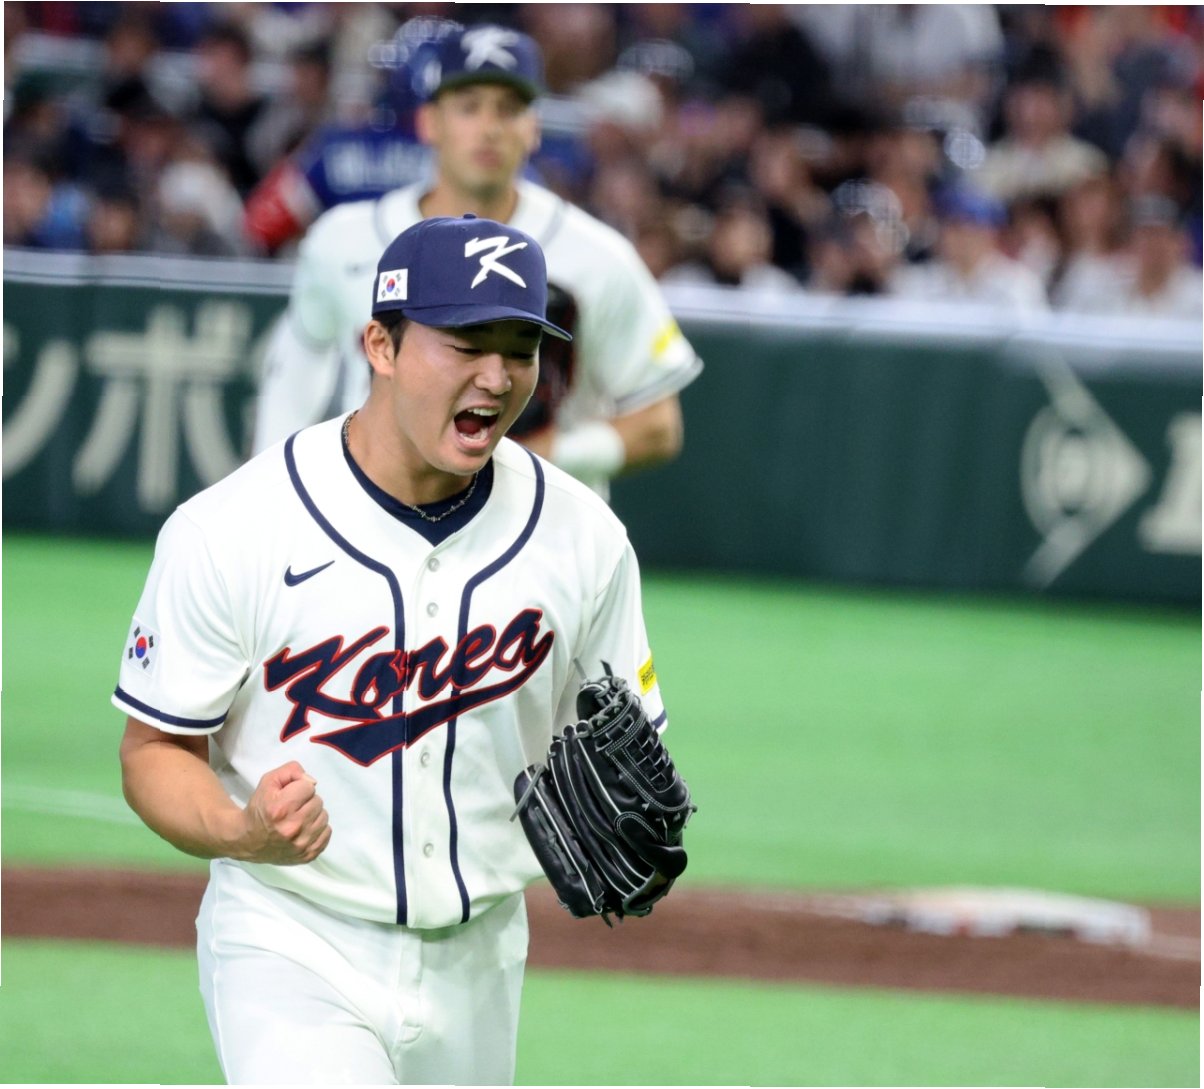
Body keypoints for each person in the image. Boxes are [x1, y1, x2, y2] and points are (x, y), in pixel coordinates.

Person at [115, 213, 672, 1085]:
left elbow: (622, 744)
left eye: (521, 347)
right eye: (467, 344)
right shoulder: (235, 527)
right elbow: (154, 748)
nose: (498, 376)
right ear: (380, 344)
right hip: (290, 938)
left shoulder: (583, 537)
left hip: (484, 956)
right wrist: (240, 829)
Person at [252, 23, 702, 500]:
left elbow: (659, 424)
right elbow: (294, 375)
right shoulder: (343, 238)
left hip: (542, 520)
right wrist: (267, 488)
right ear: (429, 122)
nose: (489, 128)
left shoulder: (597, 256)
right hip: (375, 511)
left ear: (533, 128)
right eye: (469, 106)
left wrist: (548, 454)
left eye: (509, 109)